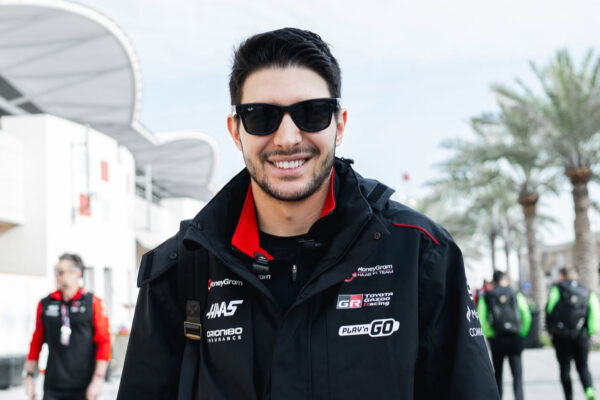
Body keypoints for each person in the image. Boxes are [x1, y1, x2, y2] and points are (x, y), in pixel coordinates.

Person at [118, 27, 499, 399]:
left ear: (340, 125)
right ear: (236, 131)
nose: (287, 138)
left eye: (312, 113)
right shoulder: (181, 268)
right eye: (261, 116)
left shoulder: (421, 253)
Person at [24, 253, 110, 400]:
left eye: (60, 272)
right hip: (53, 387)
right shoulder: (45, 303)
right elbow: (36, 342)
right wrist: (29, 376)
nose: (57, 275)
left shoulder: (93, 303)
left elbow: (104, 342)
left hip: (84, 386)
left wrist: (99, 378)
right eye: (56, 271)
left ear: (77, 274)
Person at [546, 267, 600, 400]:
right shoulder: (587, 291)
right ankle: (589, 390)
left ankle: (568, 397)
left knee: (565, 369)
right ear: (577, 276)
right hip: (581, 336)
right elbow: (595, 313)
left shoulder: (557, 288)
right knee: (583, 366)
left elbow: (549, 308)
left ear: (563, 276)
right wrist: (591, 332)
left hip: (561, 336)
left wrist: (550, 330)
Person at [478, 270, 531, 400]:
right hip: (514, 337)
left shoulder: (487, 295)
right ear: (505, 279)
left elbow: (480, 316)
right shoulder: (515, 293)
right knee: (517, 375)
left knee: (498, 374)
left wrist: (489, 333)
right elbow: (526, 314)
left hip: (497, 339)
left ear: (494, 280)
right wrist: (522, 332)